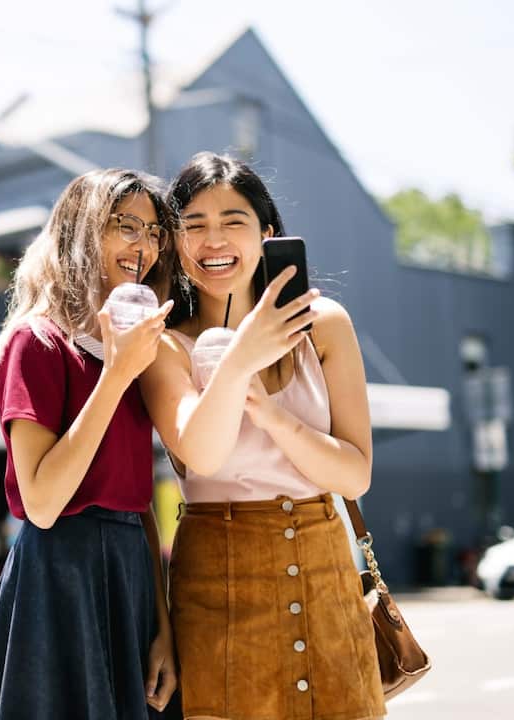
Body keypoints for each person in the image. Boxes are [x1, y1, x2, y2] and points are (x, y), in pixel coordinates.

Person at [139, 153, 386, 720]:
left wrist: (274, 417)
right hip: (218, 578)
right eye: (193, 224)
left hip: (326, 568)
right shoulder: (166, 345)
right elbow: (202, 451)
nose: (213, 238)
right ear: (176, 244)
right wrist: (242, 357)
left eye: (233, 220)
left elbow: (354, 473)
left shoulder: (324, 323)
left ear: (267, 234)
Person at [0, 168, 180, 720]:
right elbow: (41, 502)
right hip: (59, 579)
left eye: (155, 231)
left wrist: (163, 625)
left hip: (130, 575)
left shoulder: (129, 351)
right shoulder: (36, 343)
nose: (144, 245)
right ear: (82, 230)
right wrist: (115, 377)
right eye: (126, 226)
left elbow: (138, 503)